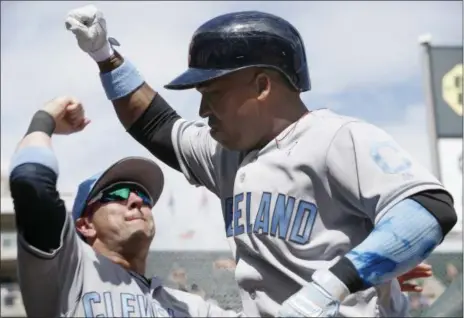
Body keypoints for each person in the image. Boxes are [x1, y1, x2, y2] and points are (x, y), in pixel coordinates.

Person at [65, 6, 458, 317]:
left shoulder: (336, 137)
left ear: (262, 85)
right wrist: (106, 56)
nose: (202, 109)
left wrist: (332, 285)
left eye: (212, 91)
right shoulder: (226, 153)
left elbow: (429, 209)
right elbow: (156, 126)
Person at [8, 97, 244, 317]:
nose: (137, 200)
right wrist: (45, 118)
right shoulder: (70, 275)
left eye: (143, 195)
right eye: (117, 194)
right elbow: (32, 181)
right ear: (85, 225)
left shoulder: (184, 306)